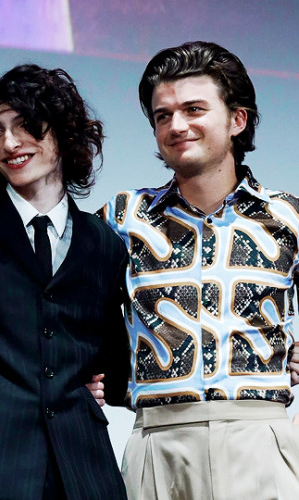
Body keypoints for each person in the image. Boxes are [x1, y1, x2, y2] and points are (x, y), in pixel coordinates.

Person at [100, 41, 299, 499]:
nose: (177, 125)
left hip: (261, 439)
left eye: (193, 109)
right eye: (162, 115)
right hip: (156, 443)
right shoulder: (122, 216)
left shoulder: (286, 216)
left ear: (237, 120)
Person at [0, 64, 130, 500]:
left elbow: (113, 359)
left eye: (26, 126)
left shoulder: (104, 243)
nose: (9, 143)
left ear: (63, 133)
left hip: (85, 466)